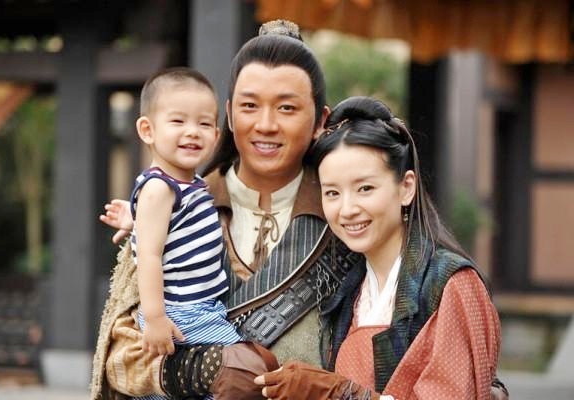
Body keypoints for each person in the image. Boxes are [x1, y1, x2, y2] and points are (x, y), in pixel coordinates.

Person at [91, 20, 508, 400]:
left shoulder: (348, 225)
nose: (266, 125)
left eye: (287, 108)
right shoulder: (173, 209)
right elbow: (118, 357)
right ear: (229, 116)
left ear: (319, 121)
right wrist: (202, 370)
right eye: (249, 106)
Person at [254, 96, 504, 399]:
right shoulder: (348, 288)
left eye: (365, 188)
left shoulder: (450, 284)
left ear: (406, 187)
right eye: (332, 193)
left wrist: (339, 393)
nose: (347, 209)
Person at [94, 67, 278, 400]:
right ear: (148, 130)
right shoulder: (160, 188)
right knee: (245, 371)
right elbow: (149, 256)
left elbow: (171, 232)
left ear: (217, 134)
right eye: (178, 121)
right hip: (181, 311)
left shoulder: (190, 183)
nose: (192, 132)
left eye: (204, 124)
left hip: (202, 308)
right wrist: (155, 318)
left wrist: (134, 220)